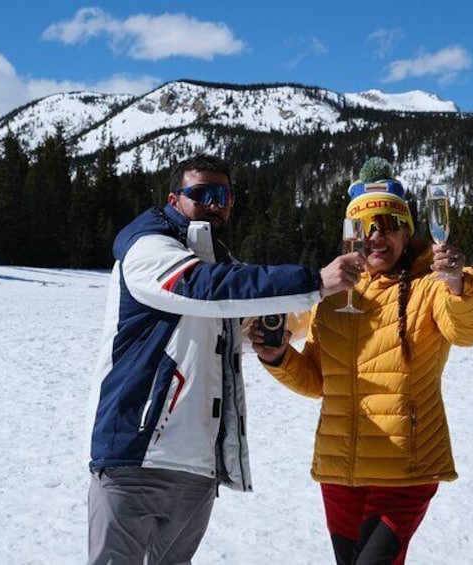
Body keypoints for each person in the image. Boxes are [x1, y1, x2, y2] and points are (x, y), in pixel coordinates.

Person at [86, 154, 362, 565]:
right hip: (135, 453)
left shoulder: (221, 262)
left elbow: (235, 313)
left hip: (197, 463)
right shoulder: (148, 246)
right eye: (202, 194)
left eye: (224, 196)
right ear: (174, 198)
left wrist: (271, 336)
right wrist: (315, 282)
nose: (215, 204)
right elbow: (202, 288)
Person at [249, 158, 473, 565]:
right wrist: (278, 357)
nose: (377, 237)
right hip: (340, 469)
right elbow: (317, 381)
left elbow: (470, 332)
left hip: (406, 466)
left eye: (390, 224)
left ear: (407, 230)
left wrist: (458, 287)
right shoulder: (332, 296)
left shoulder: (431, 286)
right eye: (366, 227)